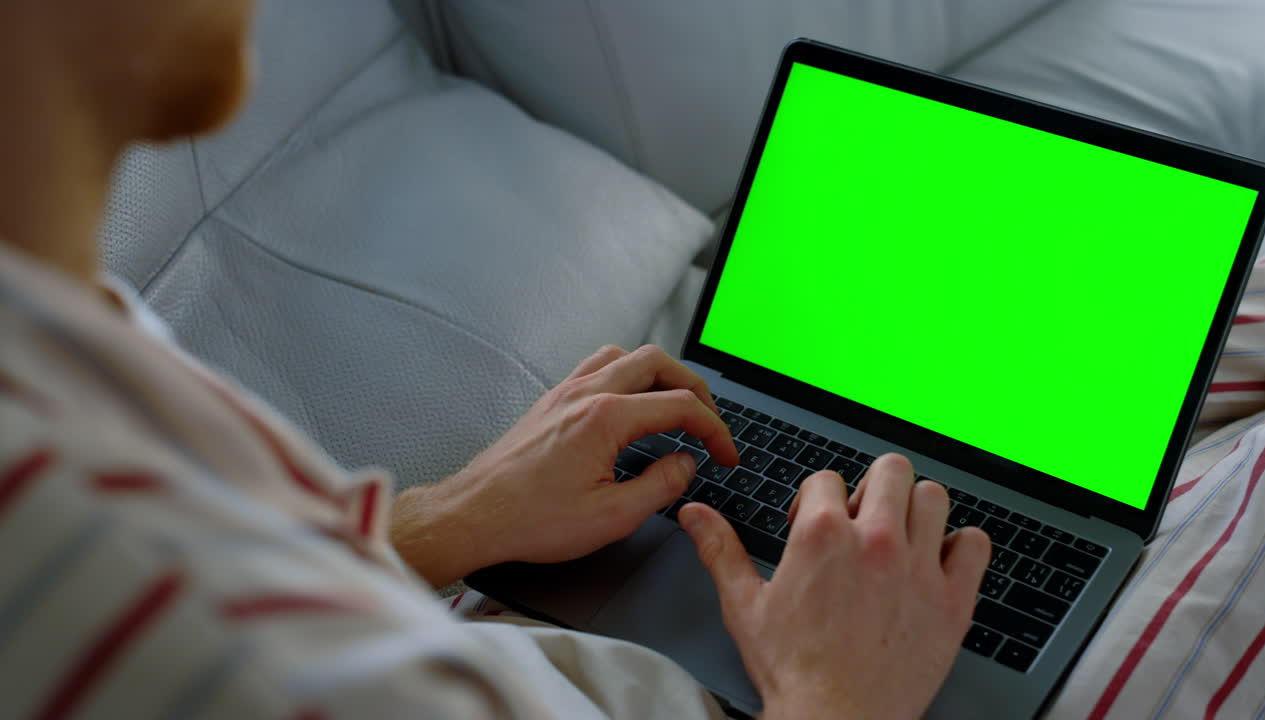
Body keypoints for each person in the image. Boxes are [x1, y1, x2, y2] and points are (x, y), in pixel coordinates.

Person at [0, 0, 991, 717]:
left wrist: (442, 521)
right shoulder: (120, 577)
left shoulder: (56, 329)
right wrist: (836, 693)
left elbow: (237, 565)